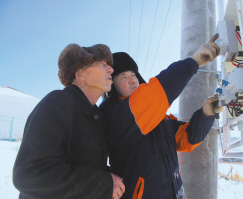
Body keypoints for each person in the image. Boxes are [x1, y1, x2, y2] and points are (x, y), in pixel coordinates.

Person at [99, 34, 224, 199]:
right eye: (123, 77)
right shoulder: (115, 114)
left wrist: (206, 114)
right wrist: (194, 61)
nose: (132, 80)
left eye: (133, 75)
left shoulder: (157, 115)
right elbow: (157, 93)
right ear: (112, 86)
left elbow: (187, 139)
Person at [13, 43, 125, 199]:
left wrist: (112, 177)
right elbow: (29, 174)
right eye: (102, 64)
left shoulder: (96, 116)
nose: (111, 69)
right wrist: (103, 184)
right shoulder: (57, 103)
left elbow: (81, 164)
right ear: (80, 74)